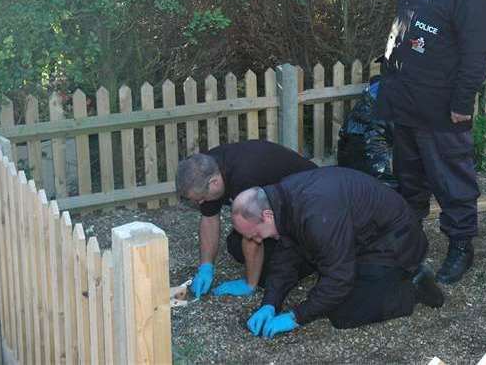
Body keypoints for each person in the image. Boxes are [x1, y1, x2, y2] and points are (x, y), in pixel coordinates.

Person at [374, 0, 486, 284]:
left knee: (452, 183)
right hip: (407, 102)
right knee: (409, 182)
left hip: (443, 110)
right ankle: (409, 245)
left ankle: (460, 248)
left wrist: (462, 104)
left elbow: (476, 53)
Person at [233, 167, 444, 339]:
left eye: (256, 234)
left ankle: (414, 287)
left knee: (343, 312)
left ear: (267, 215)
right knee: (322, 282)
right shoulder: (282, 198)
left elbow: (339, 278)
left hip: (396, 243)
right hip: (362, 236)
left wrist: (296, 316)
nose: (257, 241)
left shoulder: (316, 215)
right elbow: (287, 253)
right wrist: (270, 302)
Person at [176, 140, 317, 298]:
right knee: (235, 245)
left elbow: (252, 230)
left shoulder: (245, 177)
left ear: (214, 183)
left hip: (311, 209)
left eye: (201, 198)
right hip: (276, 209)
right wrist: (205, 266)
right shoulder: (205, 168)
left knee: (268, 274)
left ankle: (311, 261)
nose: (201, 203)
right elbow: (209, 218)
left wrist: (249, 283)